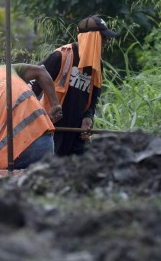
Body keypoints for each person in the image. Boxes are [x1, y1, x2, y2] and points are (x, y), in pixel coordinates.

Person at [33, 16, 118, 156]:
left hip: (77, 134)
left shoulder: (97, 65)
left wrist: (88, 118)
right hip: (53, 132)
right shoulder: (61, 56)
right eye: (103, 38)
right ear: (92, 38)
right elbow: (33, 89)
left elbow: (93, 100)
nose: (106, 43)